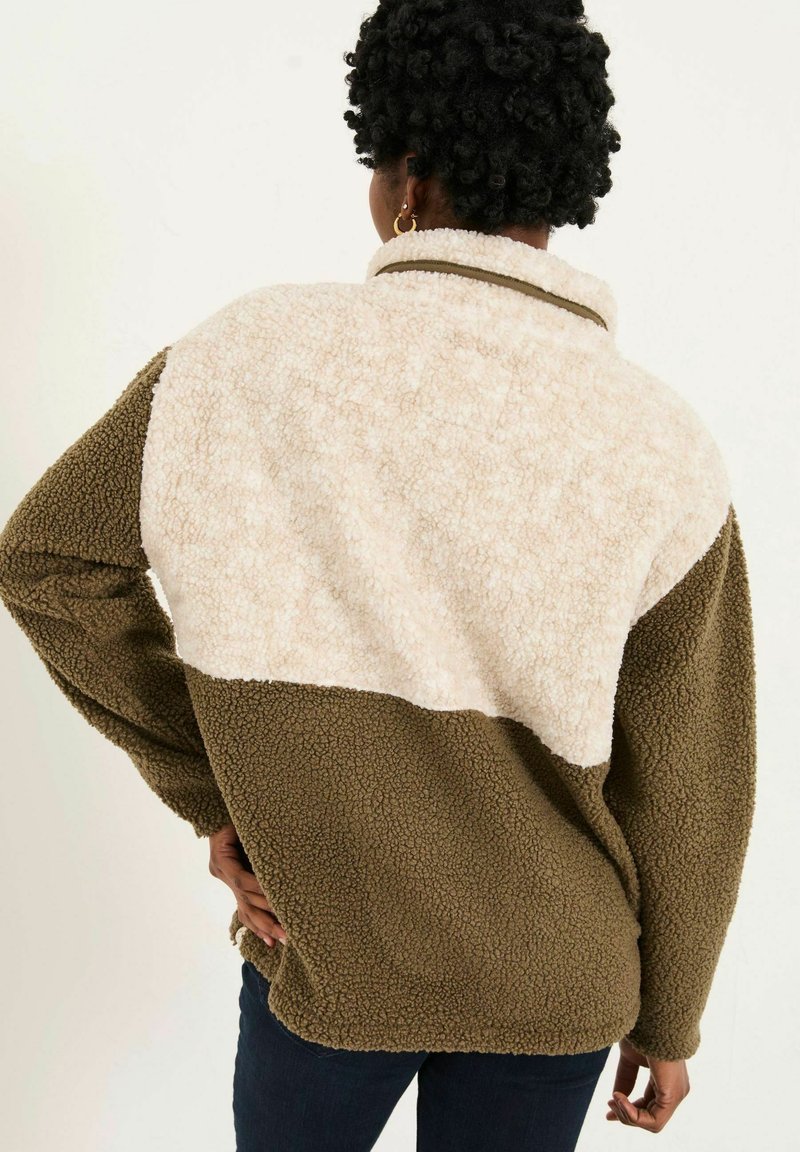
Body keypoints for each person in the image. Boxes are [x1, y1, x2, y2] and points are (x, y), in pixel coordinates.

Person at [0, 1, 757, 1149]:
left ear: (404, 179)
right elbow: (692, 780)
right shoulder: (663, 446)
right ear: (559, 187)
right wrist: (670, 1018)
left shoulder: (240, 357)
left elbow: (47, 564)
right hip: (554, 977)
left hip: (325, 942)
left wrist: (220, 794)